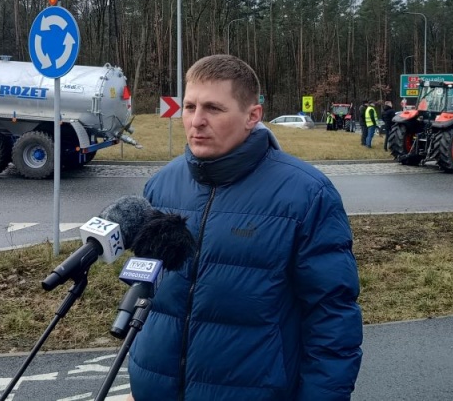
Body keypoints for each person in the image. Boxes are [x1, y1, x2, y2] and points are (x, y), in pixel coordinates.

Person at [128, 54, 363, 401]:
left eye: (213, 109)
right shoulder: (161, 185)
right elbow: (149, 293)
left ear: (252, 116)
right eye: (190, 107)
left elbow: (332, 319)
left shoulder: (306, 194)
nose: (196, 121)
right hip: (155, 388)